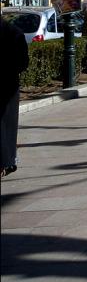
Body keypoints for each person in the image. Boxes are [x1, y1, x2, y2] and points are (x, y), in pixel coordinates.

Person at [1, 17, 29, 177]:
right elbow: (23, 63)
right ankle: (8, 161)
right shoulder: (14, 32)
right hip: (8, 85)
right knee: (8, 125)